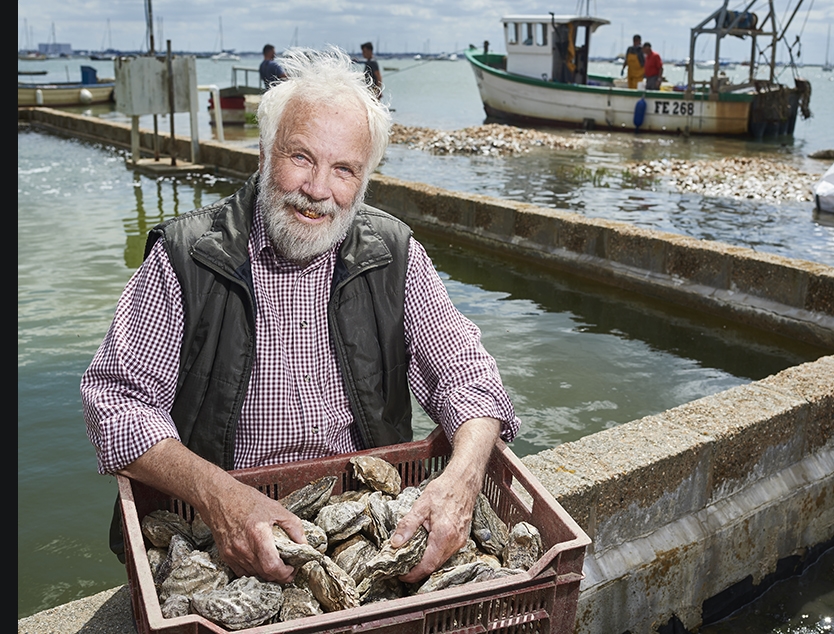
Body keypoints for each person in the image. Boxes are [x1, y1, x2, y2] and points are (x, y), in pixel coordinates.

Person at [82, 46, 519, 585]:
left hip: (354, 522)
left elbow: (468, 377)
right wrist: (219, 497)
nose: (318, 191)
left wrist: (462, 479)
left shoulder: (392, 253)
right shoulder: (186, 256)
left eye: (344, 170)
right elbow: (115, 405)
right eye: (301, 158)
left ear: (365, 179)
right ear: (264, 154)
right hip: (216, 527)